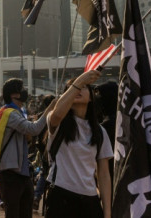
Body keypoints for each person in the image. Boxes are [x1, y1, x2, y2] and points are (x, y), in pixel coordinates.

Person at [45, 70, 110, 218]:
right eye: (73, 88)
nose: (78, 90)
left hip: (90, 198)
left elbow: (104, 174)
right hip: (61, 195)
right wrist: (80, 81)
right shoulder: (58, 122)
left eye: (84, 87)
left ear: (92, 97)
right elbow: (57, 114)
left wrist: (107, 212)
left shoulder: (99, 131)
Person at [0, 78, 51, 218]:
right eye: (22, 89)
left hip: (22, 173)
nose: (25, 91)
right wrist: (50, 109)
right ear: (14, 95)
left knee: (25, 212)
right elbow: (34, 129)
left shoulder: (15, 112)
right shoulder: (10, 113)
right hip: (12, 175)